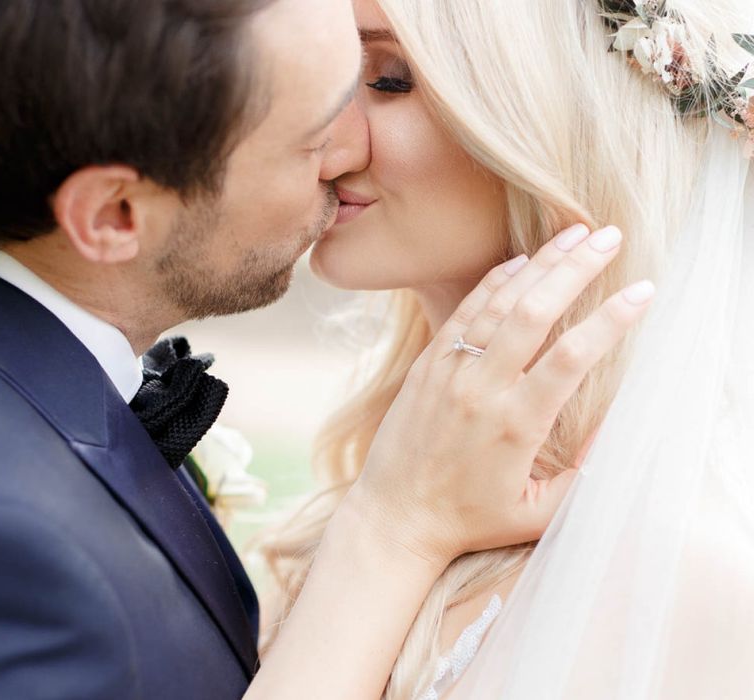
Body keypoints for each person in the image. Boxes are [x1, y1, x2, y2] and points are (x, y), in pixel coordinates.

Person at [0, 1, 651, 699]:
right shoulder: (16, 541)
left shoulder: (676, 563)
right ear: (116, 214)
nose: (341, 153)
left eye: (387, 80)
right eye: (307, 135)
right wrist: (393, 527)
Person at [261, 0, 754, 698]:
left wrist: (389, 529)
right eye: (328, 78)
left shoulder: (688, 577)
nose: (327, 145)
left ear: (564, 115)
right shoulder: (403, 459)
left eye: (391, 78)